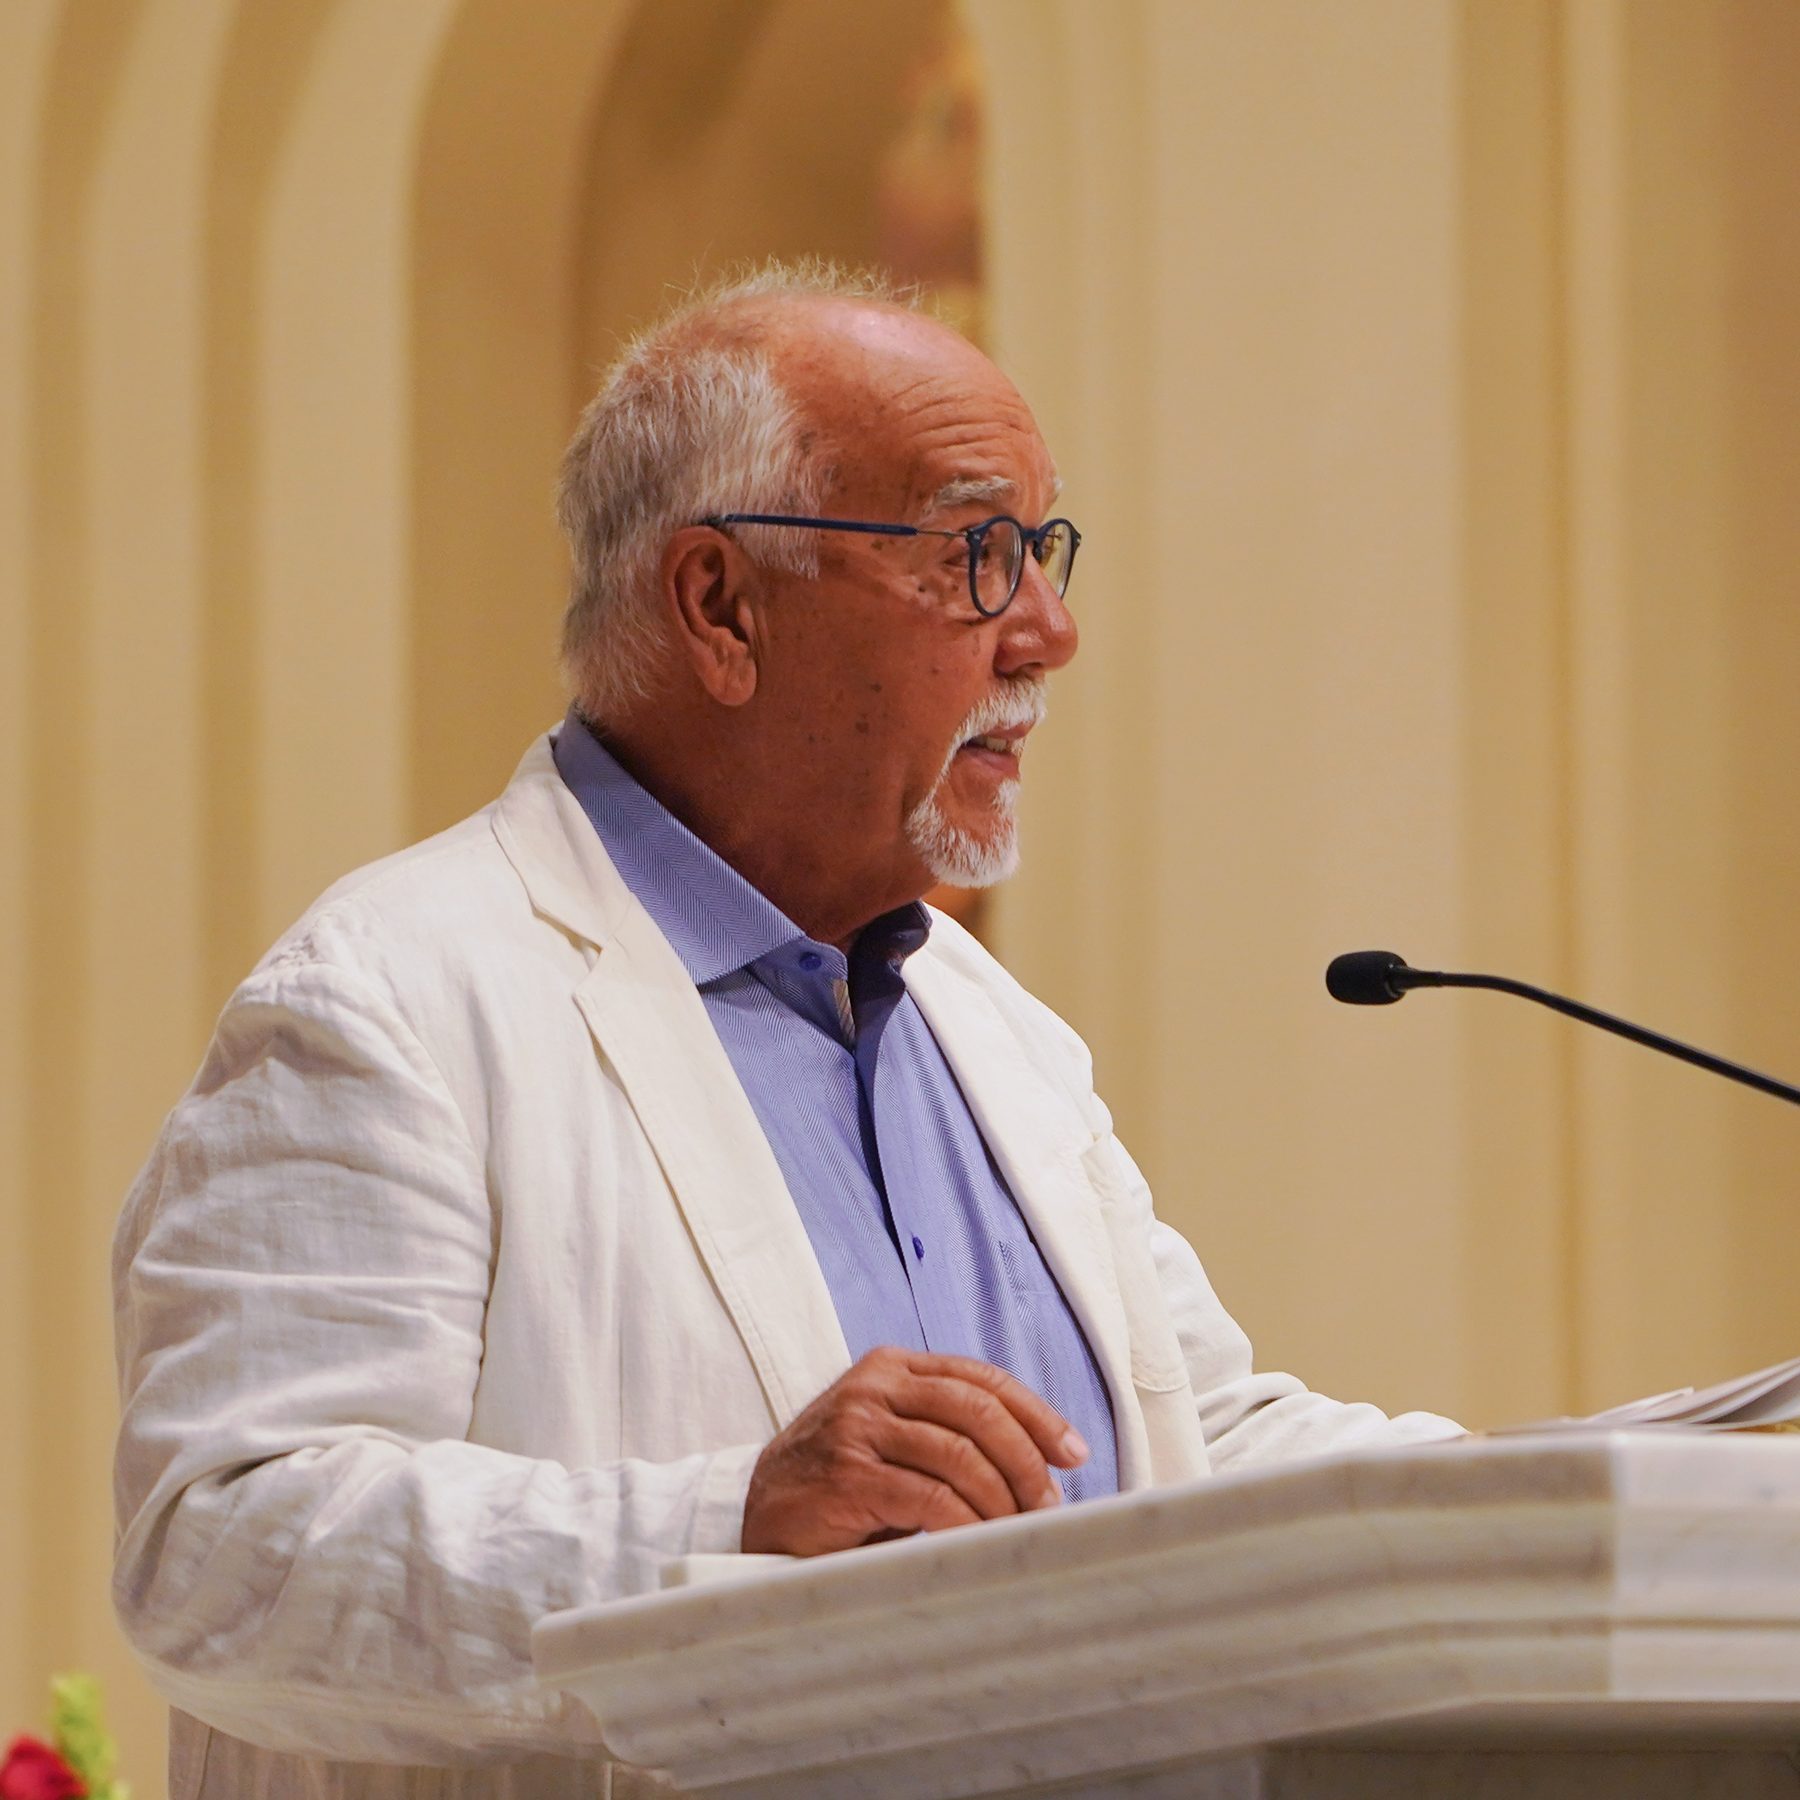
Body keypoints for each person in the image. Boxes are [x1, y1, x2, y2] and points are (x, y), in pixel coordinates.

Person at [112, 263, 1460, 1800]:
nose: (1049, 631)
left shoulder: (990, 1028)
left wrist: (1596, 1485)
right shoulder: (393, 1002)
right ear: (721, 607)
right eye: (976, 554)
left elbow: (1191, 1446)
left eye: (1043, 552)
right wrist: (733, 1520)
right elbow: (222, 1556)